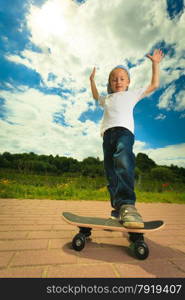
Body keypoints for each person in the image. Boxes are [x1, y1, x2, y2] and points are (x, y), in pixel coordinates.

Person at [89, 49, 164, 229]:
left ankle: (128, 205)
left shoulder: (132, 94)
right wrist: (91, 81)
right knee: (111, 173)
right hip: (107, 136)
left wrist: (155, 63)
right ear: (110, 83)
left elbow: (153, 85)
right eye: (114, 78)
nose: (118, 81)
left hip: (124, 133)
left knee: (123, 161)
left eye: (122, 78)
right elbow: (95, 95)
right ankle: (118, 211)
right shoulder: (107, 98)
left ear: (128, 82)